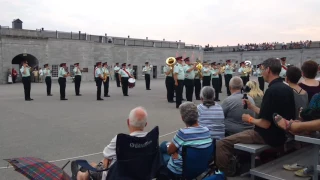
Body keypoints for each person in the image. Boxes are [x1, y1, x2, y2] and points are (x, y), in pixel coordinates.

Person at [217, 58, 296, 175]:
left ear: (268, 70)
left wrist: (249, 119)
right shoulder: (287, 88)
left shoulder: (271, 91)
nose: (261, 72)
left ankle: (226, 174)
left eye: (262, 69)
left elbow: (265, 123)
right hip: (281, 134)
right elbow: (273, 115)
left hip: (266, 135)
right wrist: (252, 107)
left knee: (222, 143)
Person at [72, 107, 149, 180]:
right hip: (140, 175)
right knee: (105, 160)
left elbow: (106, 154)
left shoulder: (120, 140)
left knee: (100, 162)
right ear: (146, 124)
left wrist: (106, 159)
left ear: (128, 122)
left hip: (116, 176)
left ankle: (80, 176)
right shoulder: (151, 141)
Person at [160, 102, 212, 177]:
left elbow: (169, 151)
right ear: (197, 116)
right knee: (165, 145)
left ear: (182, 118)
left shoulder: (183, 133)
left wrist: (174, 152)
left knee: (162, 151)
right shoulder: (206, 130)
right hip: (200, 167)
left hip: (181, 170)